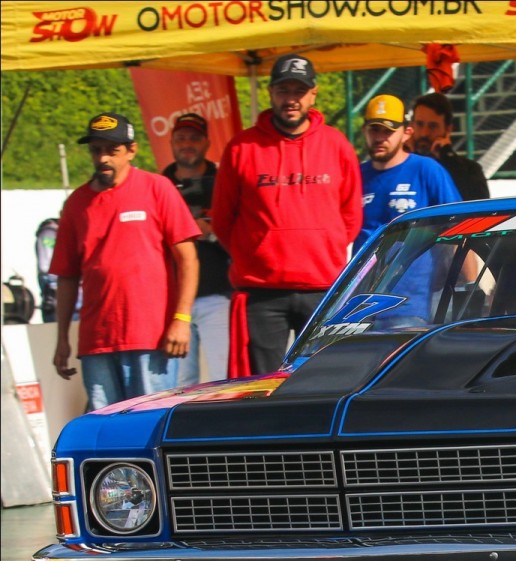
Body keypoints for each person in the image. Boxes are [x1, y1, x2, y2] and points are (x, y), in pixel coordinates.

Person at [210, 53, 362, 376]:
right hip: (262, 293)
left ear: (313, 94)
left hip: (322, 288)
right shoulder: (241, 148)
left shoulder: (337, 145)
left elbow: (351, 215)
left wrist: (322, 246)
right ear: (270, 93)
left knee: (323, 383)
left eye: (298, 91)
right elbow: (222, 219)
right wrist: (257, 253)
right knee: (262, 387)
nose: (291, 99)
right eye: (283, 90)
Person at [50, 112, 200, 409]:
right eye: (96, 150)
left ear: (132, 150)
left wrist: (181, 320)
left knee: (151, 421)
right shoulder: (76, 203)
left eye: (112, 150)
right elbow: (66, 276)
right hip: (96, 340)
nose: (103, 158)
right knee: (105, 426)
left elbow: (189, 260)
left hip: (152, 337)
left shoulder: (157, 188)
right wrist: (62, 338)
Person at [163, 113, 231, 386]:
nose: (187, 144)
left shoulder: (224, 181)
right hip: (172, 300)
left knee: (225, 378)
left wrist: (212, 232)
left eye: (194, 138)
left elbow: (244, 237)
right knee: (179, 383)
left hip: (219, 294)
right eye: (181, 138)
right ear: (171, 143)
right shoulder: (160, 185)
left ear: (207, 143)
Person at [356, 94, 462, 251]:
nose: (379, 138)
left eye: (388, 131)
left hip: (419, 267)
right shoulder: (356, 176)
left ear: (407, 132)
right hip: (365, 267)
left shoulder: (427, 170)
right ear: (364, 130)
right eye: (374, 130)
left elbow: (459, 228)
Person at [409, 92, 490, 201]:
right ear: (412, 125)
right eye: (419, 124)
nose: (424, 133)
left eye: (433, 126)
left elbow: (476, 206)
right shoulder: (400, 164)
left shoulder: (469, 171)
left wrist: (449, 158)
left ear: (448, 129)